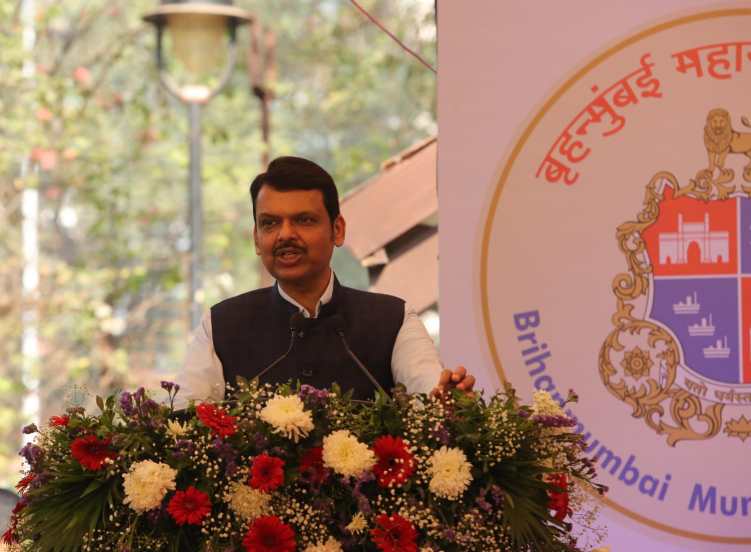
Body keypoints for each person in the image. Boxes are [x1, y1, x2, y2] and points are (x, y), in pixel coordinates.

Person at [180, 156, 475, 402]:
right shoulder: (220, 325)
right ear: (257, 239)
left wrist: (445, 399)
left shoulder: (392, 319)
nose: (285, 235)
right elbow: (182, 419)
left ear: (338, 230)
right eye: (269, 223)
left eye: (304, 220)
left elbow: (426, 385)